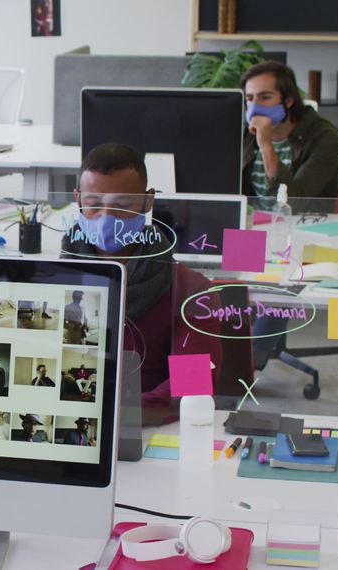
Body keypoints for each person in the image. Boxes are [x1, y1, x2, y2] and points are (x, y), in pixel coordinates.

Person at [61, 143, 222, 424]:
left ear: (148, 202)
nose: (106, 218)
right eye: (94, 204)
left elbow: (192, 384)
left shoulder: (191, 291)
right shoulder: (55, 277)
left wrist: (110, 414)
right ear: (77, 199)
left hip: (142, 426)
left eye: (122, 206)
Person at [241, 61, 338, 211]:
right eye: (250, 98)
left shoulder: (324, 137)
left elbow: (294, 204)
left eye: (265, 97)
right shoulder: (245, 132)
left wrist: (267, 146)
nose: (255, 107)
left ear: (288, 101)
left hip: (301, 227)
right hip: (253, 226)